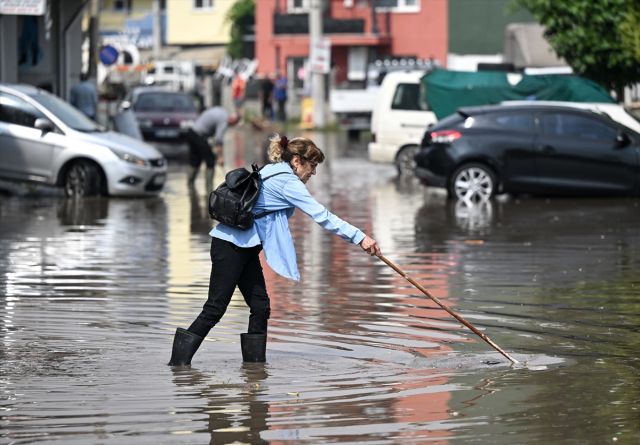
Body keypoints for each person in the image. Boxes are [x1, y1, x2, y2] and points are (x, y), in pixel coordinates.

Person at [168, 134, 382, 366]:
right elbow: (322, 216)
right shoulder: (288, 181)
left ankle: (254, 371)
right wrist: (360, 237)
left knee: (260, 307)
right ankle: (178, 366)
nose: (314, 172)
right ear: (297, 161)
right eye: (312, 165)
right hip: (230, 246)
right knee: (215, 308)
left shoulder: (273, 169)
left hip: (246, 247)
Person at [187, 106, 240, 194]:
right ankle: (209, 189)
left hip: (191, 133)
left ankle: (190, 186)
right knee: (210, 159)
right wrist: (221, 158)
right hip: (199, 135)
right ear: (232, 119)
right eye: (234, 123)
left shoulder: (222, 111)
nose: (232, 126)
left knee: (195, 161)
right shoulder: (224, 120)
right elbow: (219, 141)